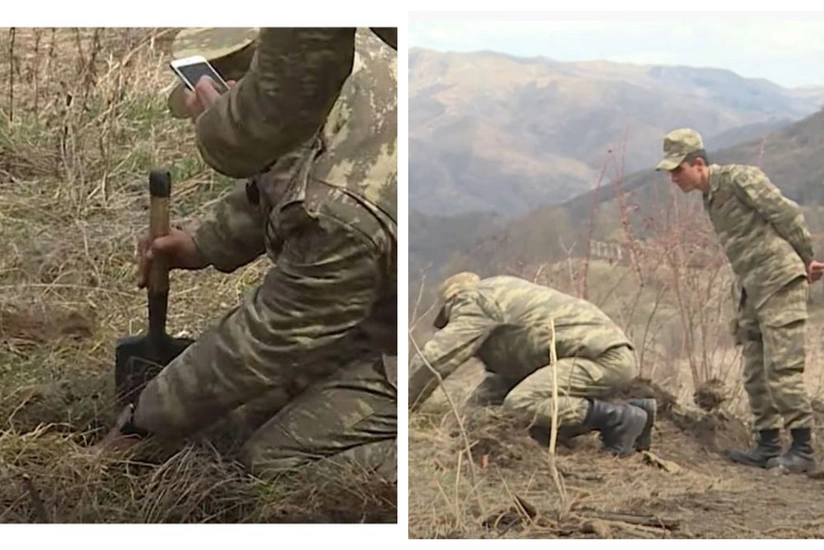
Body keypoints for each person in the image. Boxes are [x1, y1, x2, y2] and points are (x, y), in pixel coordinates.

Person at [98, 27, 398, 483]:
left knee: (274, 458)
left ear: (240, 92)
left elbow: (266, 340)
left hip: (423, 350)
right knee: (266, 403)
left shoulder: (338, 212)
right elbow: (291, 165)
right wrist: (204, 243)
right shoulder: (345, 64)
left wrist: (141, 425)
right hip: (394, 292)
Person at [655, 128, 823, 474]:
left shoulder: (739, 179)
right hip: (751, 289)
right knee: (754, 370)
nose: (673, 178)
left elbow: (786, 214)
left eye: (677, 170)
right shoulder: (710, 197)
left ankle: (803, 451)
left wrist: (806, 259)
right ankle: (767, 444)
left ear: (698, 163)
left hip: (779, 280)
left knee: (782, 369)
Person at [408, 272, 656, 457]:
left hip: (599, 359)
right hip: (604, 356)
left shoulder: (475, 302)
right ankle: (639, 408)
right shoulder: (502, 293)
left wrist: (401, 408)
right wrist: (467, 420)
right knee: (499, 405)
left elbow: (435, 359)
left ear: (452, 301)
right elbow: (503, 379)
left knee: (520, 404)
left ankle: (620, 418)